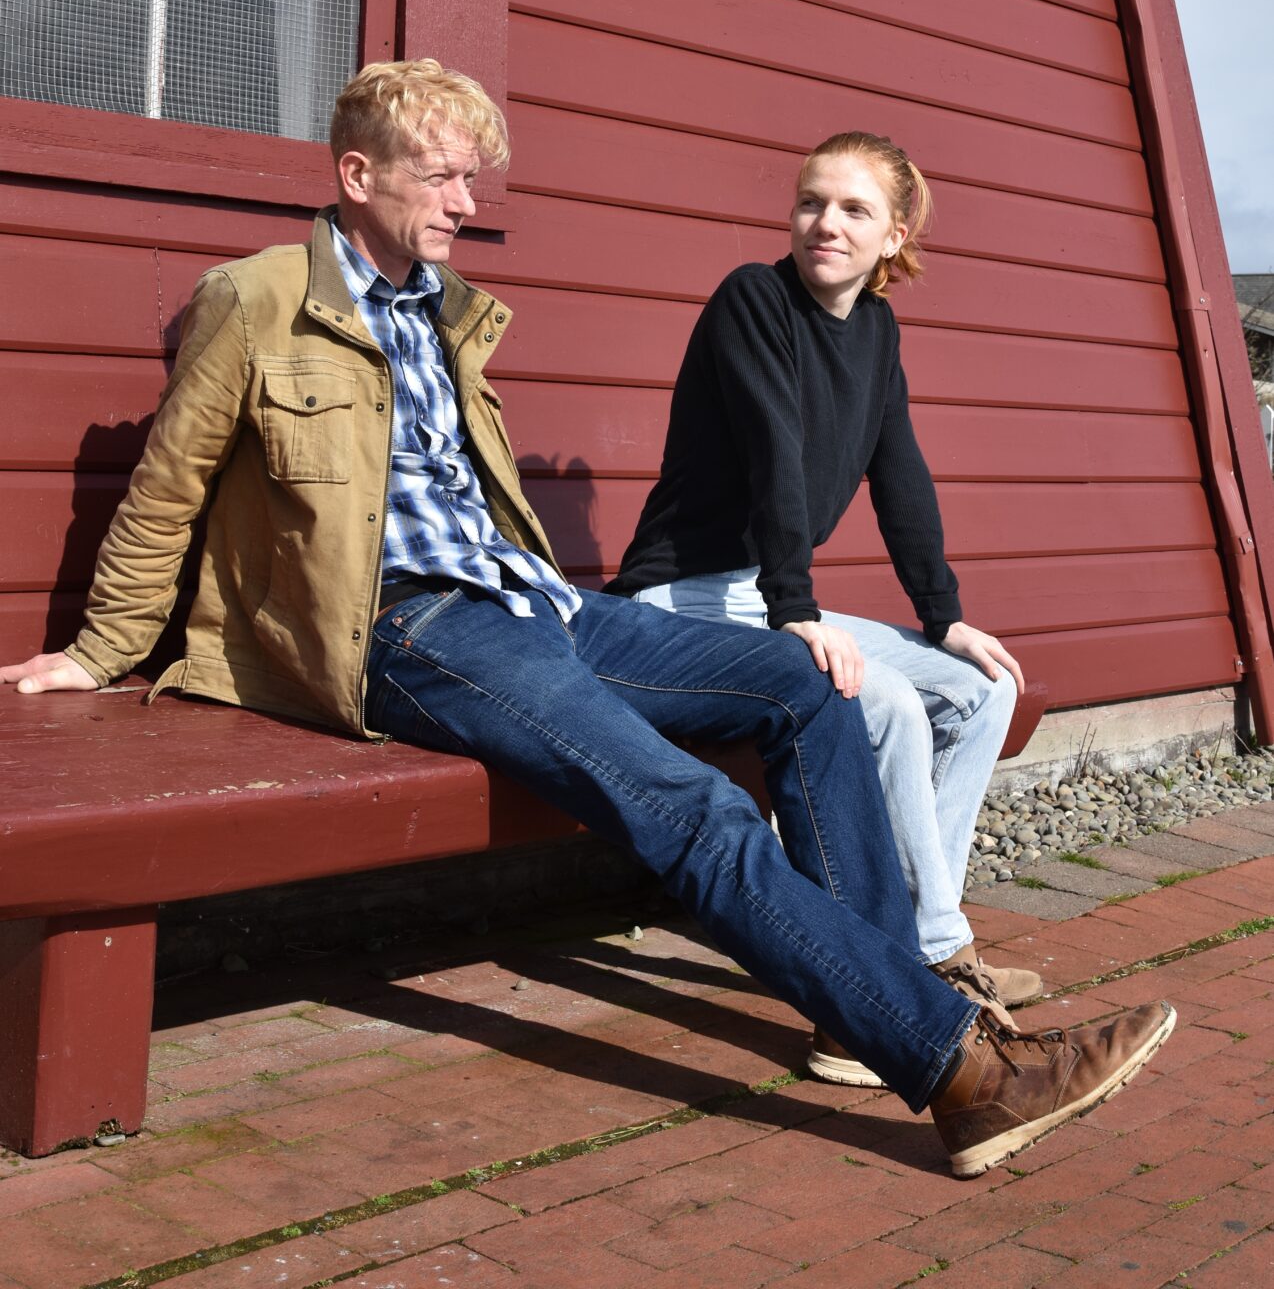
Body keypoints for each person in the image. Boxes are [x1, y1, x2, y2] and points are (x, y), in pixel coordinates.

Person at [0, 63, 1173, 1179]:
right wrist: (102, 651)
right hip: (405, 628)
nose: (466, 202)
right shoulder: (256, 297)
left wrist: (926, 614)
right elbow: (169, 485)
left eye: (471, 178)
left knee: (807, 683)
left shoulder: (444, 311)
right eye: (441, 176)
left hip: (538, 602)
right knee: (692, 806)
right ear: (357, 175)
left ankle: (864, 1016)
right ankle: (962, 1073)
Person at [609, 131, 1039, 1084]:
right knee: (880, 700)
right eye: (811, 202)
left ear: (895, 235)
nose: (825, 224)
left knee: (981, 689)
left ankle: (923, 944)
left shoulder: (877, 332)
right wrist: (794, 609)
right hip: (685, 597)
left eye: (853, 209)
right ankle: (910, 975)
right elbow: (775, 453)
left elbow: (901, 476)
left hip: (768, 590)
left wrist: (944, 617)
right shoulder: (753, 300)